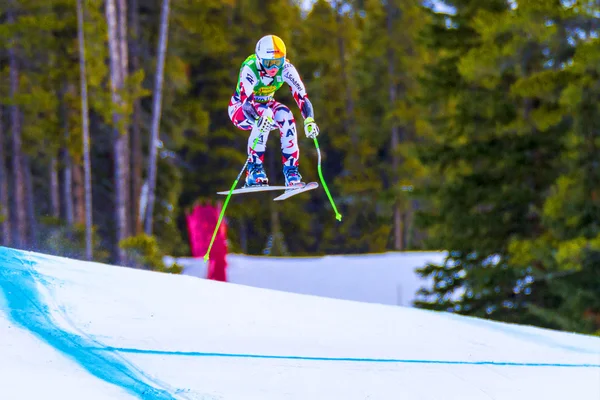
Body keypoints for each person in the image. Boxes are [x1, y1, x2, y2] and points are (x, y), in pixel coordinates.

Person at [228, 34, 320, 188]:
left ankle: (291, 172)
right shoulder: (250, 68)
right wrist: (259, 118)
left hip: (266, 104)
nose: (273, 68)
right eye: (269, 63)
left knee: (286, 116)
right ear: (259, 59)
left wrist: (309, 120)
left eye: (278, 62)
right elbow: (246, 103)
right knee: (266, 115)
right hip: (240, 110)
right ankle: (254, 170)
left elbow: (302, 97)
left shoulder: (286, 69)